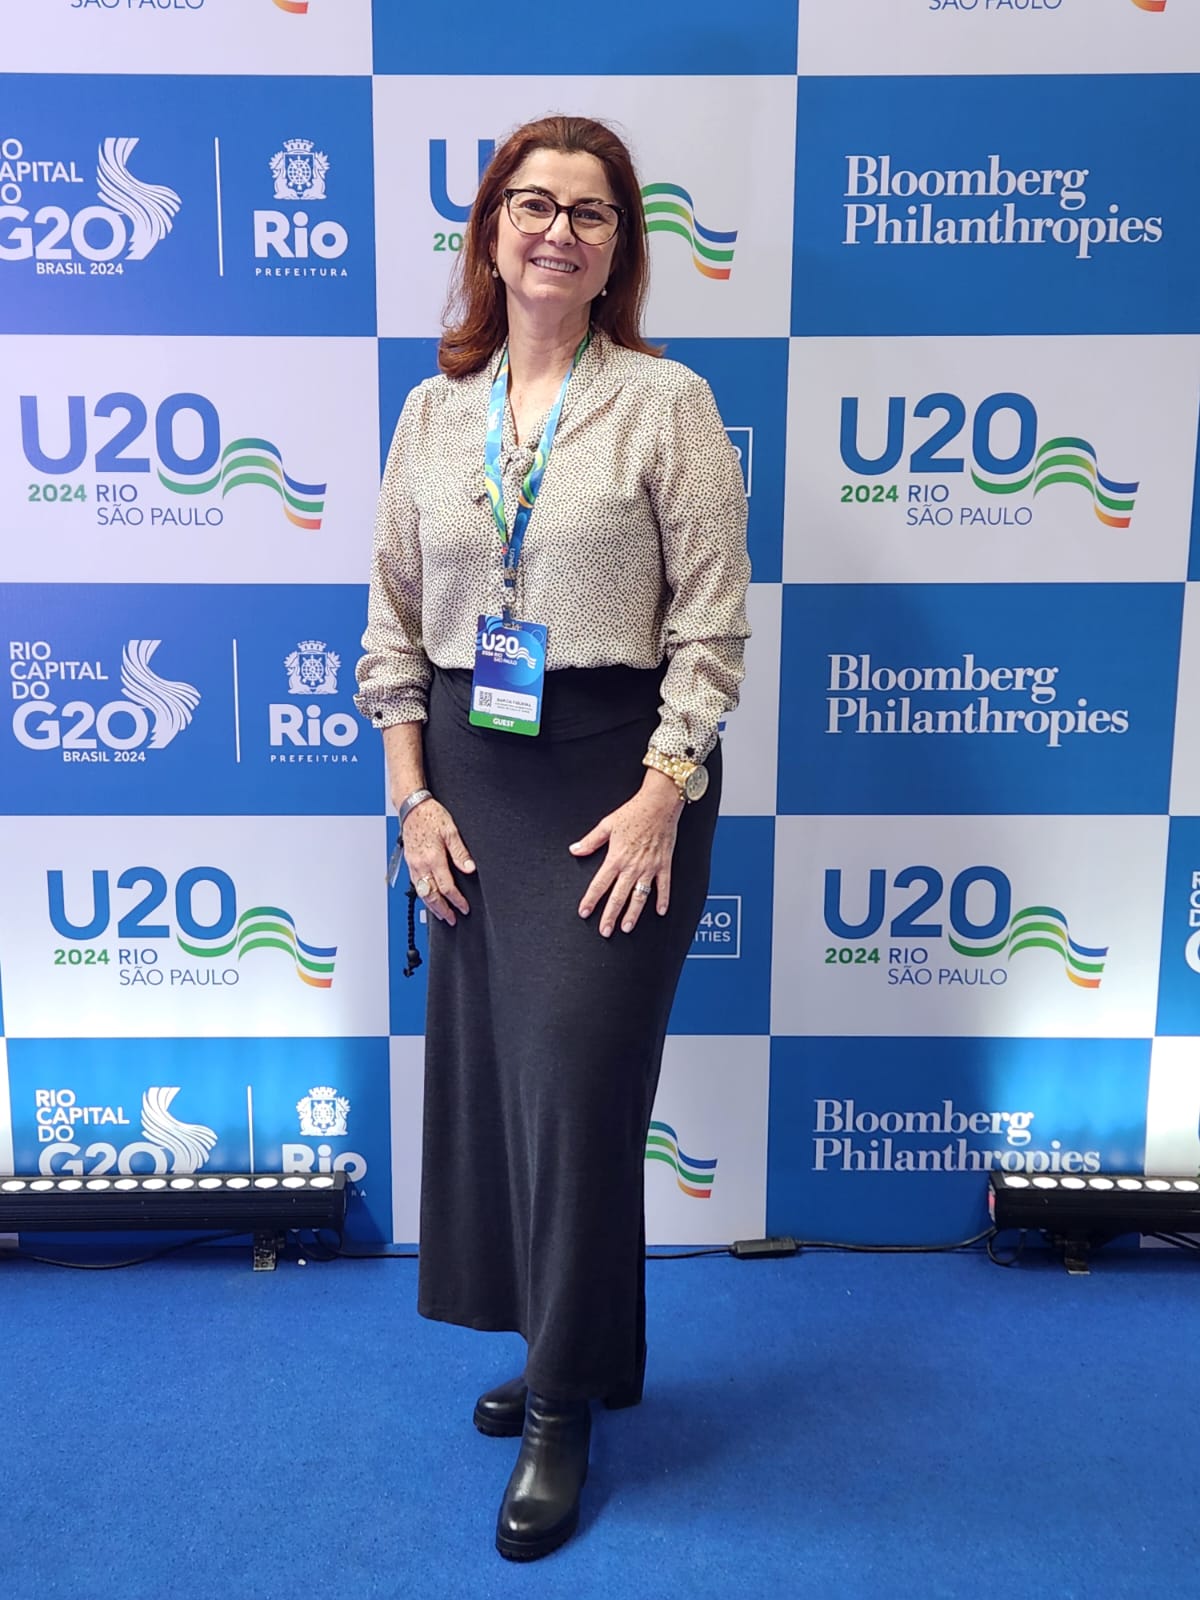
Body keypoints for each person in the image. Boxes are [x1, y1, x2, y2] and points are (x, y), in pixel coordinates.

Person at [355, 113, 750, 1562]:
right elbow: (395, 628)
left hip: (618, 777)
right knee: (501, 1093)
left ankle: (561, 1407)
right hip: (472, 780)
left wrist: (663, 791)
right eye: (534, 204)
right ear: (491, 229)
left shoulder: (667, 404)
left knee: (578, 1091)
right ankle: (573, 1349)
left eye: (589, 213)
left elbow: (711, 626)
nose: (558, 232)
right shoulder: (432, 412)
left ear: (618, 246)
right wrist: (414, 799)